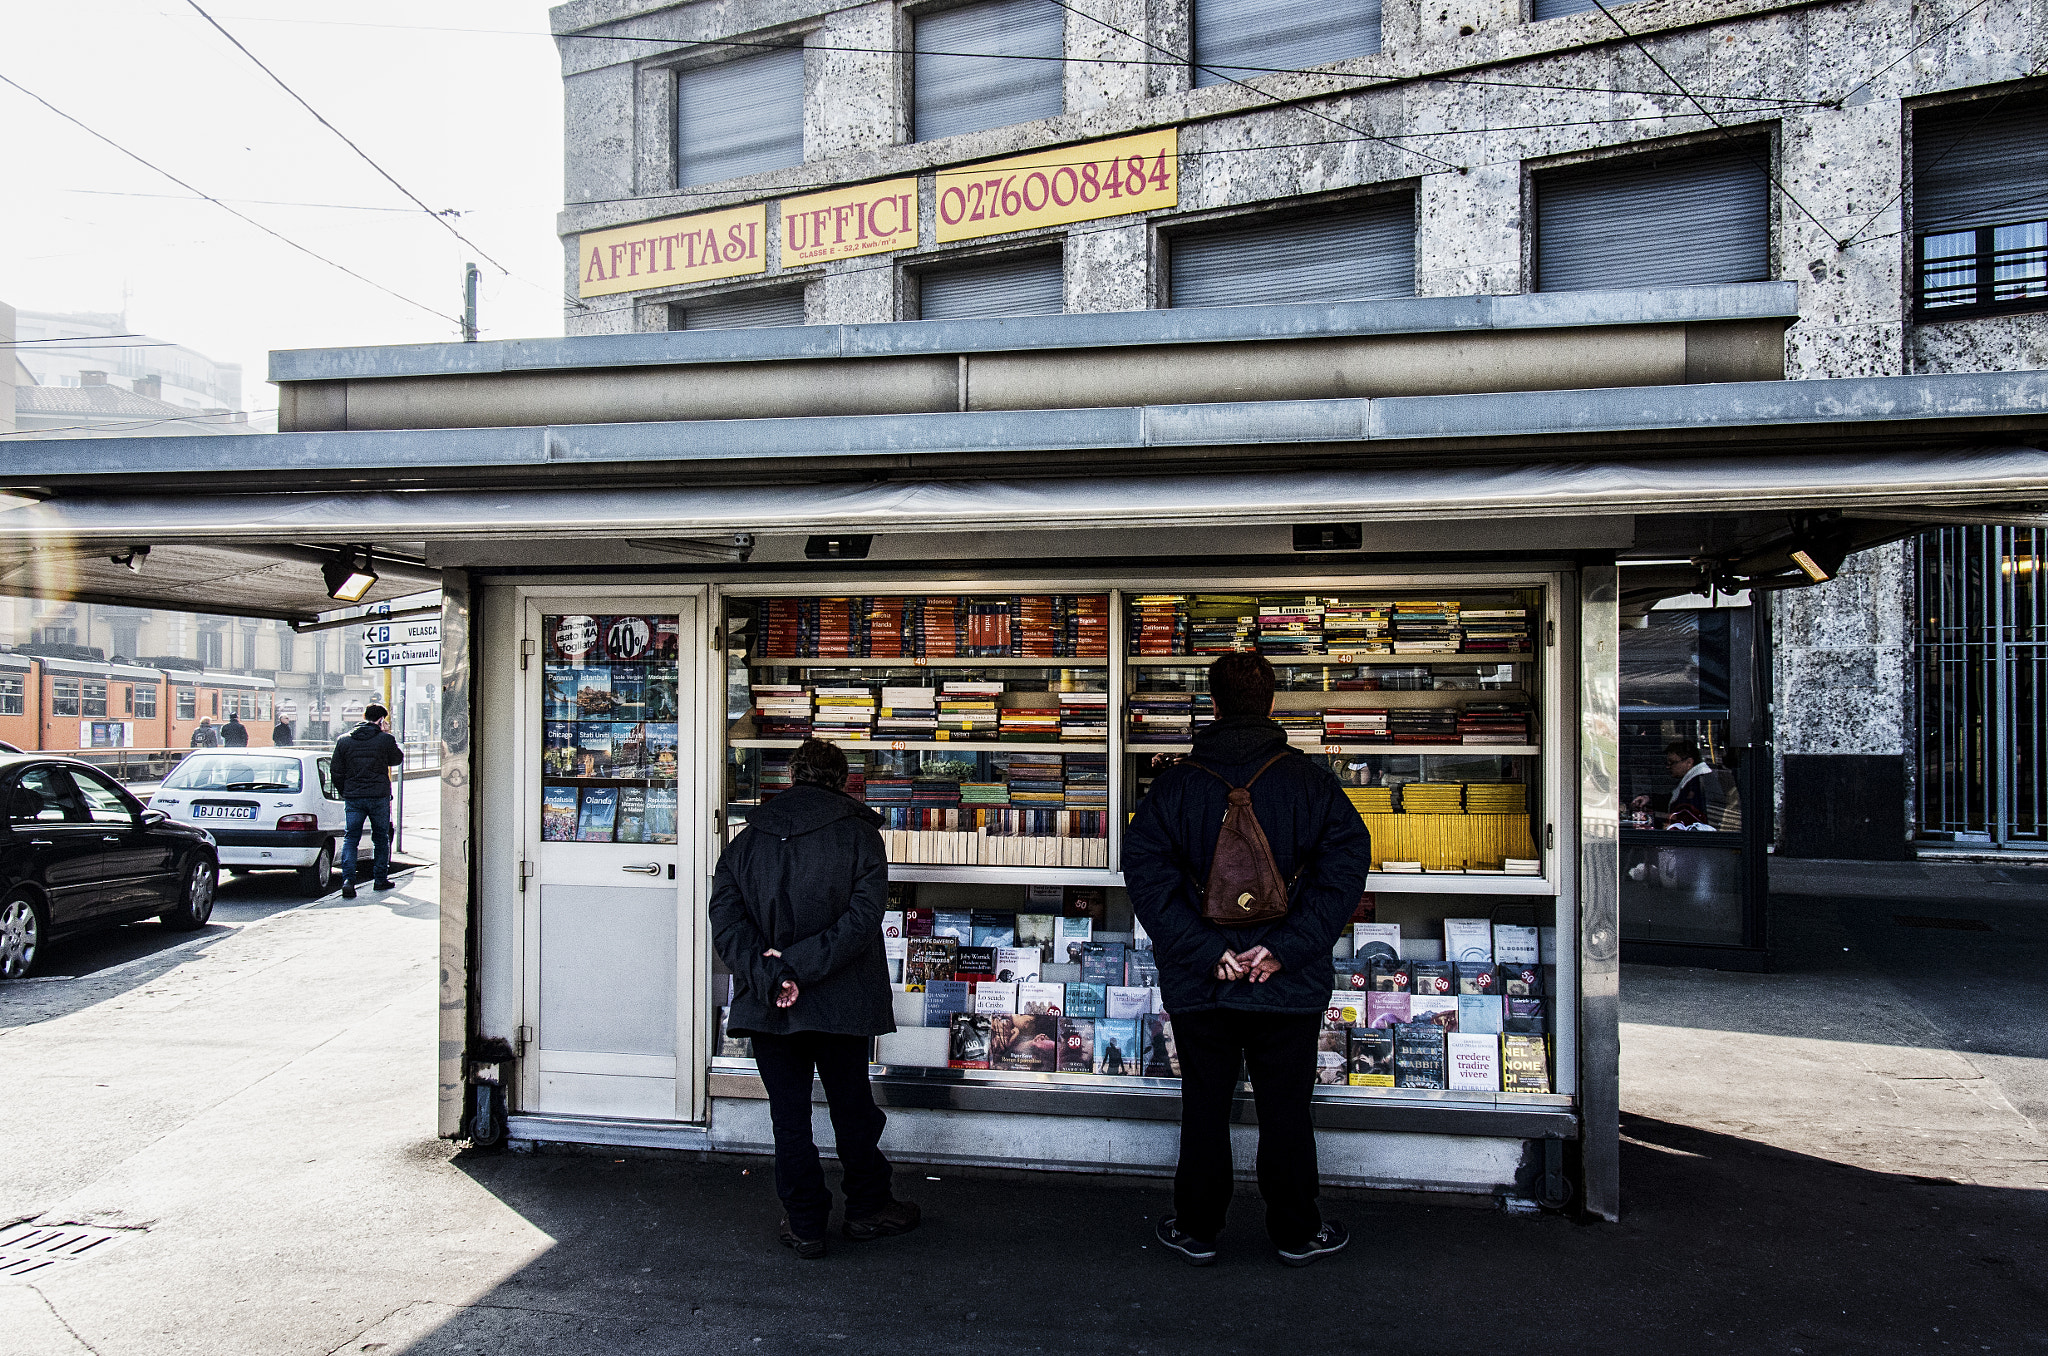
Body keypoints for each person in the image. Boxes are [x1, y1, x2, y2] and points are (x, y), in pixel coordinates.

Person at [1122, 652, 1373, 1269]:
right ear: (1270, 703)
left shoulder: (1176, 784)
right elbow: (1344, 868)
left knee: (1203, 1107)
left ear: (1211, 703)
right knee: (1287, 1110)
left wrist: (1210, 954)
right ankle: (1295, 1231)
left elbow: (1147, 878)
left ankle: (1198, 1228)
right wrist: (1283, 949)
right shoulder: (1309, 781)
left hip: (1202, 984)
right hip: (1285, 984)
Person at [709, 738, 919, 1260]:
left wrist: (772, 974)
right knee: (853, 1108)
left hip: (768, 1001)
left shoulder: (747, 839)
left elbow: (727, 921)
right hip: (840, 998)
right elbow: (864, 919)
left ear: (791, 776)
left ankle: (805, 1223)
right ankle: (868, 1207)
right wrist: (798, 969)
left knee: (789, 1116)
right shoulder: (859, 834)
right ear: (842, 779)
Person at [331, 703, 404, 898]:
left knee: (350, 838)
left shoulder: (344, 740)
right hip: (378, 796)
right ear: (381, 720)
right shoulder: (385, 739)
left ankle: (348, 880)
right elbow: (397, 759)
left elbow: (335, 771)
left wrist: (345, 791)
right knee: (380, 837)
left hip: (354, 797)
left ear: (364, 716)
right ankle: (380, 879)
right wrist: (387, 734)